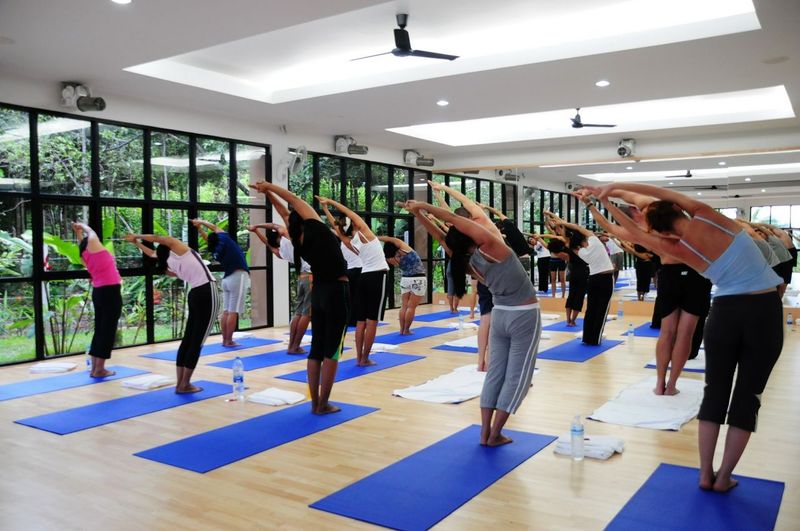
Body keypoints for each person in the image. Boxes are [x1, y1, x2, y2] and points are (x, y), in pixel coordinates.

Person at [589, 182, 783, 493]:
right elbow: (655, 194)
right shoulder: (709, 216)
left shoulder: (677, 248)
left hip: (725, 314)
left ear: (660, 231)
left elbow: (634, 233)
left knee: (715, 393)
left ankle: (705, 474)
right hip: (764, 311)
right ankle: (724, 477)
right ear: (678, 208)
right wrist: (612, 188)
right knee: (748, 397)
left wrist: (605, 204)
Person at [405, 198, 540, 447]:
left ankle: (484, 432)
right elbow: (453, 219)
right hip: (523, 315)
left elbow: (441, 235)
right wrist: (423, 206)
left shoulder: (467, 262)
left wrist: (420, 214)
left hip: (499, 315)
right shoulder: (493, 247)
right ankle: (495, 434)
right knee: (517, 376)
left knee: (495, 374)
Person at [252, 181, 349, 415]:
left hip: (319, 292)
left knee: (316, 350)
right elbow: (293, 201)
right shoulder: (317, 228)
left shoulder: (297, 239)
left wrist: (269, 193)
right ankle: (323, 404)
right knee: (332, 351)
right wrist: (269, 186)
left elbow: (285, 212)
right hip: (336, 291)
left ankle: (315, 402)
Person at [126, 232, 218, 394]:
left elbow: (152, 254)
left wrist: (136, 243)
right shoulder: (180, 251)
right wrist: (137, 236)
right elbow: (158, 238)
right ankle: (185, 384)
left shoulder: (167, 259)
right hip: (207, 290)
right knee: (197, 341)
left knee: (188, 340)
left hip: (195, 294)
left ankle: (180, 383)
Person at [316, 195, 388, 367]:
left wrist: (325, 209)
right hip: (378, 276)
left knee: (361, 321)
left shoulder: (350, 242)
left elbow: (337, 227)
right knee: (372, 320)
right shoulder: (365, 233)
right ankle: (365, 358)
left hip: (363, 278)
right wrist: (330, 202)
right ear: (354, 224)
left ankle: (359, 358)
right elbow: (348, 212)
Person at [248, 222, 311, 354]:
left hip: (301, 278)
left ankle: (292, 346)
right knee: (306, 314)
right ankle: (295, 346)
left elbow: (267, 244)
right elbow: (274, 225)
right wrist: (257, 226)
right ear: (278, 235)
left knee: (298, 313)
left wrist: (256, 231)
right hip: (310, 277)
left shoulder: (281, 251)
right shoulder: (288, 239)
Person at [552, 214, 614, 346]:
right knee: (601, 310)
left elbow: (567, 240)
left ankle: (587, 338)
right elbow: (576, 227)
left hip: (593, 279)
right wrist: (563, 223)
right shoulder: (595, 241)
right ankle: (595, 339)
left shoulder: (579, 252)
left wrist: (561, 229)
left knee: (591, 309)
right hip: (606, 278)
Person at [72, 222, 122, 378]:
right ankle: (99, 369)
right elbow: (91, 232)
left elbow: (82, 243)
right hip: (110, 292)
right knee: (107, 331)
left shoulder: (85, 255)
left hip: (99, 292)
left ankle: (95, 368)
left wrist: (78, 233)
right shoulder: (95, 248)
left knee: (100, 330)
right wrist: (81, 226)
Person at [192, 219, 249, 347]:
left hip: (227, 280)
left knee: (227, 311)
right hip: (238, 277)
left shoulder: (216, 250)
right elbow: (215, 227)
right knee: (233, 311)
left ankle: (225, 340)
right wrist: (201, 222)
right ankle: (229, 340)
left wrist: (199, 229)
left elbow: (208, 239)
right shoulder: (224, 240)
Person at [380, 236, 426, 335]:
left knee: (404, 306)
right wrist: (376, 237)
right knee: (411, 307)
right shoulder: (405, 250)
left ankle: (402, 330)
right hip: (418, 278)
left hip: (405, 279)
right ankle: (406, 330)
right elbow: (391, 239)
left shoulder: (391, 258)